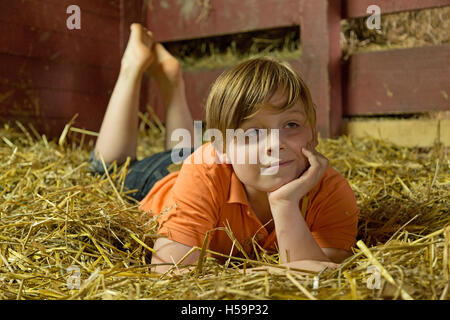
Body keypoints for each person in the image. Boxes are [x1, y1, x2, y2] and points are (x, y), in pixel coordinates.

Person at [89, 23, 359, 274]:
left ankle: (172, 81)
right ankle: (132, 65)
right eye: (253, 132)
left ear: (313, 133)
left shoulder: (330, 191)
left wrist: (285, 202)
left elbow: (325, 277)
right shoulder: (203, 169)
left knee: (189, 150)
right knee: (105, 168)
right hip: (162, 178)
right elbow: (168, 272)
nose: (275, 144)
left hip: (216, 161)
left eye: (290, 124)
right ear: (222, 148)